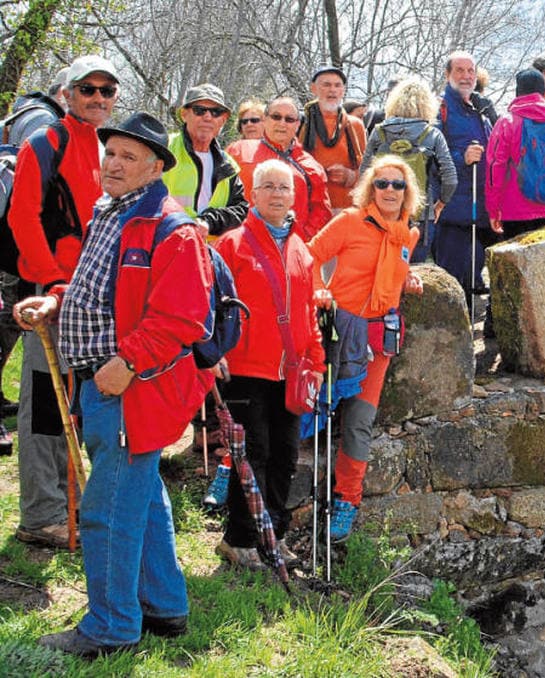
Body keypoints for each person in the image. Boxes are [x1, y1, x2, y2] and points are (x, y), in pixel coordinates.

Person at [18, 111, 210, 657]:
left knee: (107, 508)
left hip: (130, 387)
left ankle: (110, 625)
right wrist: (57, 300)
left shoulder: (173, 228)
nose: (115, 164)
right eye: (111, 153)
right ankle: (164, 605)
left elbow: (182, 317)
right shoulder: (109, 211)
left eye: (129, 156)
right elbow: (96, 286)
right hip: (102, 382)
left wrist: (127, 364)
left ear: (156, 168)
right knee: (142, 497)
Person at [9, 55, 118, 549]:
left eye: (106, 90)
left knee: (74, 403)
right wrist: (52, 283)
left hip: (94, 296)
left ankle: (69, 498)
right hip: (52, 296)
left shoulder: (108, 148)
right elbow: (24, 218)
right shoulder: (45, 143)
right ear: (67, 94)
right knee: (45, 403)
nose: (97, 98)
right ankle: (41, 513)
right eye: (87, 89)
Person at [212, 159, 324, 568]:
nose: (277, 195)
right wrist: (215, 353)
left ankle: (273, 536)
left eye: (284, 188)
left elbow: (309, 309)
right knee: (251, 453)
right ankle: (239, 539)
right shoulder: (233, 244)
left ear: (294, 196)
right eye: (269, 187)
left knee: (285, 455)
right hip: (244, 370)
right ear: (253, 194)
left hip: (291, 372)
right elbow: (214, 304)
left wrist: (315, 357)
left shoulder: (300, 249)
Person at [308, 156, 424, 542]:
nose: (390, 191)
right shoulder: (349, 221)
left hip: (379, 339)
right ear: (370, 188)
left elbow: (393, 267)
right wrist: (317, 291)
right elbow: (310, 256)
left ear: (408, 193)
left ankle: (347, 501)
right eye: (382, 183)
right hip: (337, 333)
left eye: (398, 185)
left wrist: (409, 277)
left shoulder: (407, 234)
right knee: (310, 408)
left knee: (359, 421)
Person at [0, 67, 70, 420]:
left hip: (19, 252)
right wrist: (50, 275)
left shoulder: (24, 113)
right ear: (64, 93)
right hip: (28, 258)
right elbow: (26, 211)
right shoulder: (46, 128)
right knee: (17, 326)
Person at [360, 75, 458, 263]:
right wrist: (441, 204)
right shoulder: (432, 134)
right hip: (420, 214)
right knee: (415, 272)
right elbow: (450, 177)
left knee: (382, 269)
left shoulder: (379, 132)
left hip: (382, 214)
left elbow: (364, 173)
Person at [485, 69, 545, 237]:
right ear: (544, 91)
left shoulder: (507, 122)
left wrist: (493, 209)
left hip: (515, 210)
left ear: (517, 92)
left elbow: (495, 168)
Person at [228, 96, 333, 241]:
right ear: (265, 119)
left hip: (289, 248)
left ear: (297, 124)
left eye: (289, 119)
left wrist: (302, 239)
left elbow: (321, 211)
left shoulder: (311, 166)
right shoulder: (238, 150)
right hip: (243, 244)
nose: (282, 123)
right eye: (276, 117)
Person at [434, 51, 492, 307]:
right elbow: (430, 153)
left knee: (472, 275)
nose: (467, 76)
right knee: (454, 280)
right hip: (452, 211)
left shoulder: (481, 108)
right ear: (448, 75)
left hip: (480, 211)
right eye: (460, 70)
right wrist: (461, 157)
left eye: (470, 71)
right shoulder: (440, 109)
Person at [163, 83, 248, 238]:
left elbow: (240, 210)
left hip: (209, 254)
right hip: (164, 246)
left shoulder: (229, 165)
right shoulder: (163, 149)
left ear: (223, 120)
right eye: (199, 110)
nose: (208, 117)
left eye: (216, 112)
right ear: (184, 114)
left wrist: (209, 222)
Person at [299, 66, 367, 213]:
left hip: (347, 209)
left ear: (343, 91)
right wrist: (315, 173)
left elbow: (367, 169)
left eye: (337, 85)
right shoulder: (300, 123)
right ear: (313, 88)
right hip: (309, 207)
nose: (332, 90)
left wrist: (350, 176)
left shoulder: (355, 125)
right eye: (326, 85)